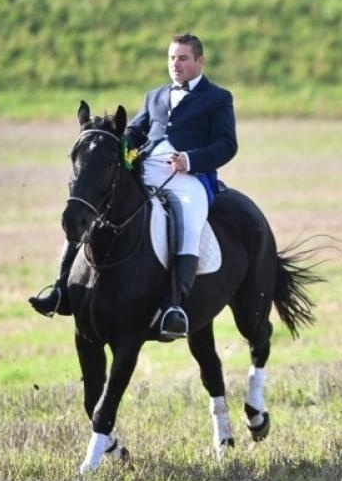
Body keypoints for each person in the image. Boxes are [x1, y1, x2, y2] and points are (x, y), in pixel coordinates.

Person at [29, 33, 236, 341]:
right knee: (90, 205)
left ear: (199, 61)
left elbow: (226, 145)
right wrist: (108, 142)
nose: (175, 65)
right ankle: (61, 288)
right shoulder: (154, 96)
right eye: (171, 58)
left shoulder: (218, 98)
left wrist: (190, 160)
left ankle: (174, 307)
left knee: (190, 222)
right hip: (147, 169)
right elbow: (134, 133)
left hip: (187, 177)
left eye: (182, 58)